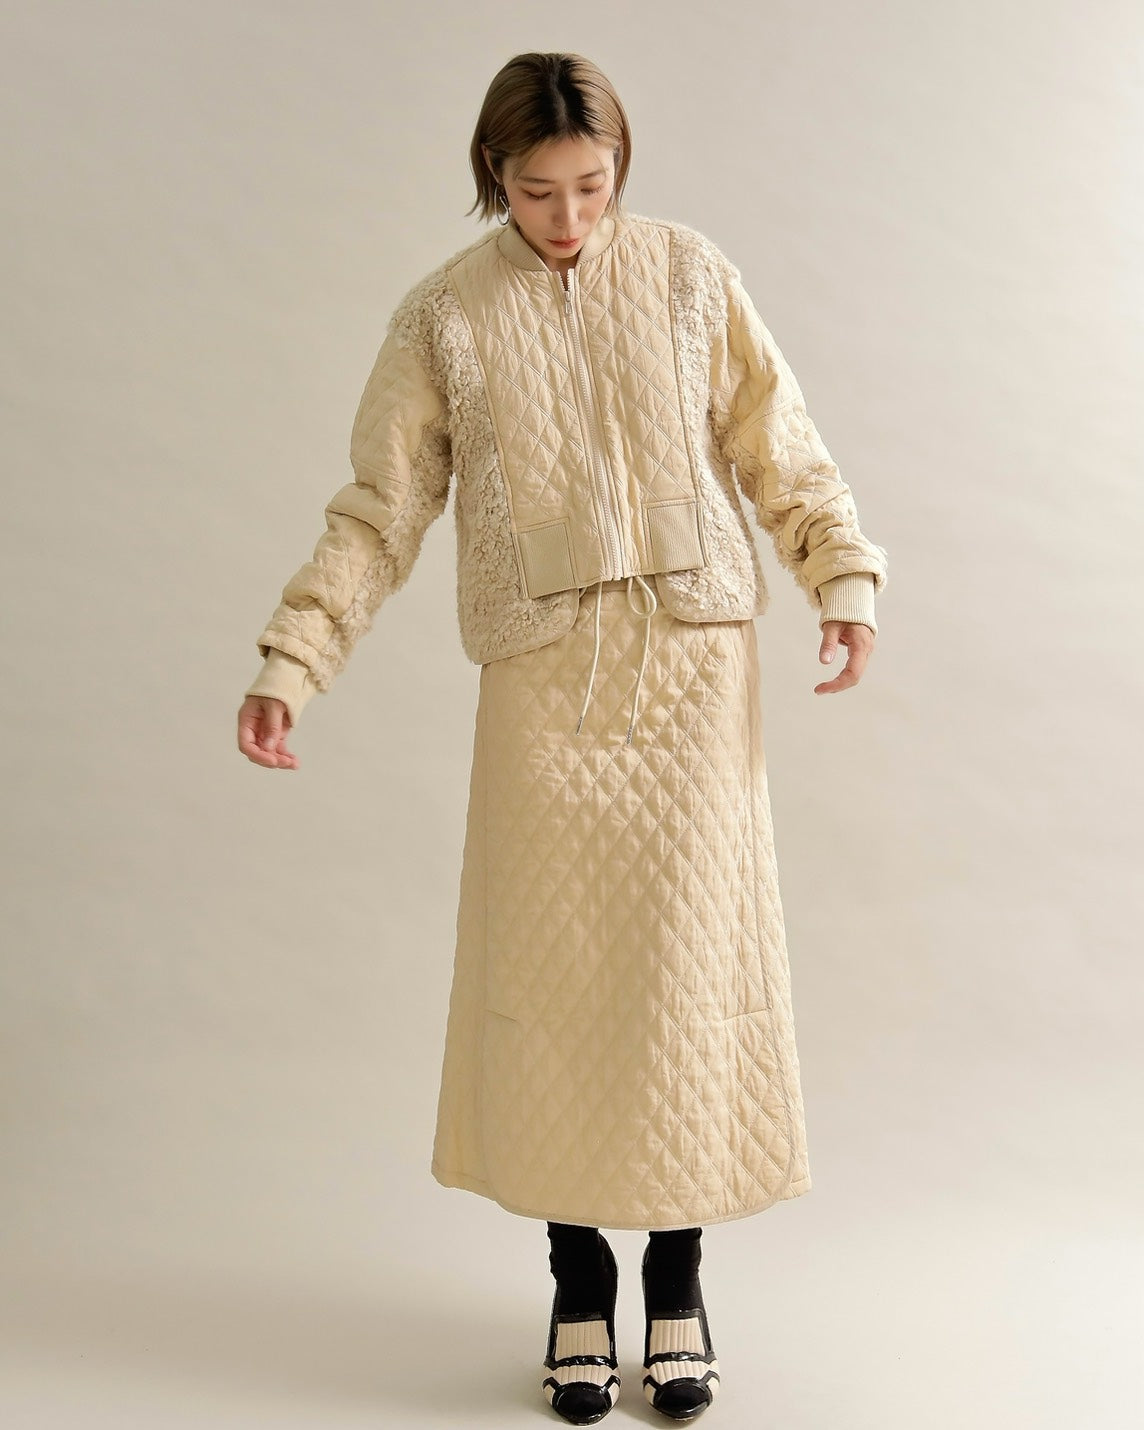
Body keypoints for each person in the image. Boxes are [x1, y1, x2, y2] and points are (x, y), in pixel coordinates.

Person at [236, 50, 888, 1426]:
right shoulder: (445, 316)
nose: (572, 217)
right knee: (557, 985)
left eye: (595, 185)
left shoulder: (690, 274)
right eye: (540, 192)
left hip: (696, 673)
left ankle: (679, 1289)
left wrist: (840, 573)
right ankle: (578, 1284)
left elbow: (777, 437)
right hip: (544, 685)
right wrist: (297, 655)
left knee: (687, 984)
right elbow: (380, 508)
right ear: (496, 177)